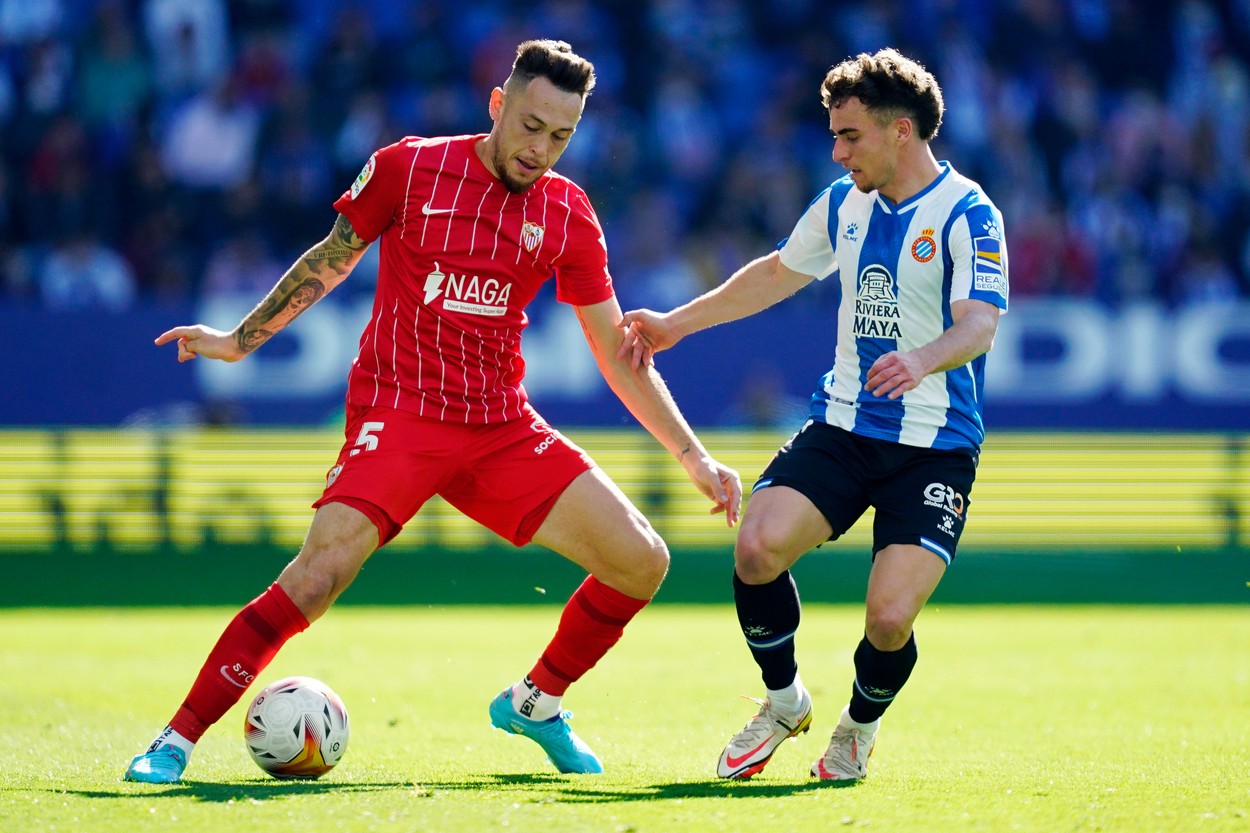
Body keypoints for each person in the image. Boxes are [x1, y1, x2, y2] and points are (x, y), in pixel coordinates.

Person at [125, 39, 741, 784]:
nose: (540, 148)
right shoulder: (408, 167)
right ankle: (175, 740)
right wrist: (237, 340)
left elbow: (618, 352)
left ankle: (536, 701)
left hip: (499, 424)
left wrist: (695, 456)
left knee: (642, 560)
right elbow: (332, 257)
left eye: (561, 135)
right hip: (401, 411)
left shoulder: (568, 213)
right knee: (317, 576)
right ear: (498, 105)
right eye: (531, 125)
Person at [619, 47, 1008, 782]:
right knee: (757, 546)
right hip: (843, 425)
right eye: (833, 135)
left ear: (900, 131)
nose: (836, 151)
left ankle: (857, 727)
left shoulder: (969, 213)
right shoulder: (842, 204)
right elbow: (774, 273)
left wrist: (923, 359)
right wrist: (677, 323)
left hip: (935, 446)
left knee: (889, 618)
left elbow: (980, 324)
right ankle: (783, 700)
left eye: (849, 135)